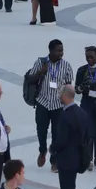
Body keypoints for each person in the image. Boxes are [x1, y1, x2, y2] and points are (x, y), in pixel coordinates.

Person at [27, 40, 73, 169]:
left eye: (62, 50)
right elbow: (30, 79)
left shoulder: (66, 65)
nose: (61, 53)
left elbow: (69, 85)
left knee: (57, 133)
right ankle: (42, 150)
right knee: (41, 130)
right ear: (50, 51)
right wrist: (41, 72)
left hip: (58, 104)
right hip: (43, 102)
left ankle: (54, 159)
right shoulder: (41, 62)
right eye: (58, 50)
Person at [53, 85, 89, 189]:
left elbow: (61, 140)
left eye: (60, 94)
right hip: (77, 157)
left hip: (66, 160)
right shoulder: (81, 113)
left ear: (65, 96)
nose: (59, 97)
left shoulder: (65, 116)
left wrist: (52, 149)